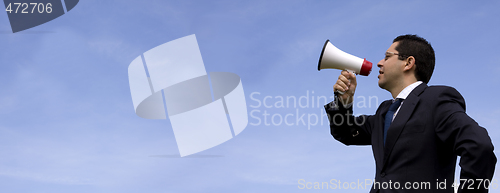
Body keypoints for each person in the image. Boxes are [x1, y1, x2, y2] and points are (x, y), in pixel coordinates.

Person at [324, 34, 496, 193]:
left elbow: (478, 146)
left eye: (387, 56)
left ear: (408, 63)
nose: (379, 63)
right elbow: (346, 133)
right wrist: (344, 102)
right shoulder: (384, 111)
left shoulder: (436, 100)